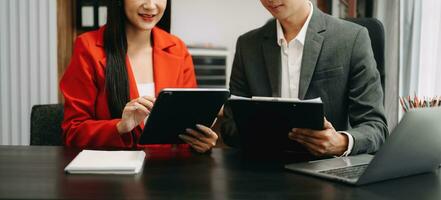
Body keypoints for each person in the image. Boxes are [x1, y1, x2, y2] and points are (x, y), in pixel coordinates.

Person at [221, 0, 388, 157]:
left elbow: (375, 127)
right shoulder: (247, 45)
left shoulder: (352, 39)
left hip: (327, 170)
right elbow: (230, 126)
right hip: (262, 170)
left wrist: (341, 142)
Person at [60, 0, 217, 153]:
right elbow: (73, 133)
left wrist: (199, 142)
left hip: (166, 171)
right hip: (113, 173)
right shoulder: (88, 48)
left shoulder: (178, 49)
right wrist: (119, 127)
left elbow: (186, 126)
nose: (150, 5)